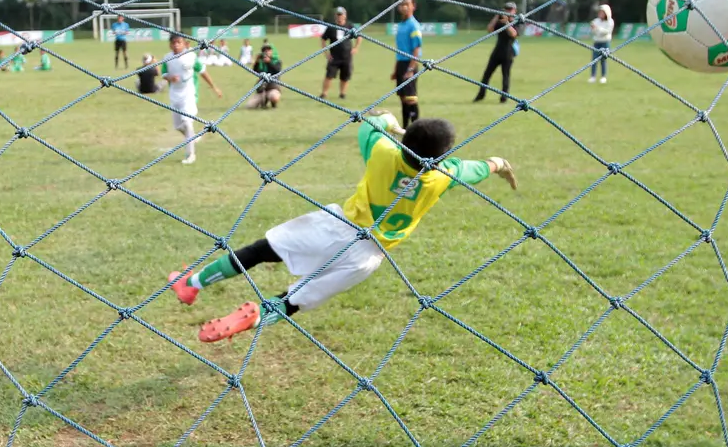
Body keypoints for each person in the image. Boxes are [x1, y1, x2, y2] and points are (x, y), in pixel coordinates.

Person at [167, 111, 517, 342]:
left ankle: (192, 284)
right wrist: (500, 163)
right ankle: (255, 316)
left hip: (337, 227)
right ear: (442, 156)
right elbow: (480, 167)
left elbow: (371, 123)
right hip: (367, 258)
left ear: (403, 141)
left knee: (262, 250)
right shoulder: (444, 176)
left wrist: (389, 120)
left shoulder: (383, 153)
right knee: (294, 301)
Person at [160, 33, 222, 165]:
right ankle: (193, 137)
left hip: (189, 94)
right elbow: (164, 73)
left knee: (187, 123)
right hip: (174, 95)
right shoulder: (167, 58)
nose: (176, 45)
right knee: (178, 126)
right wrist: (170, 78)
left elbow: (203, 72)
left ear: (184, 43)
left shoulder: (191, 57)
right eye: (174, 43)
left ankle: (190, 155)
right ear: (170, 44)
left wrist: (214, 87)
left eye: (179, 42)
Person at [474, 2, 519, 103]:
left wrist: (507, 22)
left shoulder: (516, 21)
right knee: (486, 75)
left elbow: (513, 34)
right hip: (497, 52)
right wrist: (496, 16)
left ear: (514, 11)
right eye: (506, 9)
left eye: (510, 9)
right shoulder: (499, 22)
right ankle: (480, 95)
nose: (508, 11)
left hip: (508, 53)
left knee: (505, 76)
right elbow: (490, 29)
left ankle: (504, 98)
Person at [392, 0, 423, 127]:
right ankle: (405, 128)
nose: (404, 7)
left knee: (411, 99)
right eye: (402, 4)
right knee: (403, 98)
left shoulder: (413, 25)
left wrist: (411, 69)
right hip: (401, 64)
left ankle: (416, 128)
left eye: (407, 4)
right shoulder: (401, 25)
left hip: (410, 64)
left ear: (413, 7)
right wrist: (395, 70)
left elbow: (416, 48)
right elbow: (399, 50)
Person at [319, 6, 359, 100]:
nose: (339, 17)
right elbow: (323, 40)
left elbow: (359, 36)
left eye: (341, 15)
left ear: (345, 16)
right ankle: (324, 93)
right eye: (337, 15)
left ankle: (342, 94)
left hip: (346, 56)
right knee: (329, 75)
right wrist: (326, 53)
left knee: (345, 76)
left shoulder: (350, 26)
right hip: (334, 57)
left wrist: (356, 47)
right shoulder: (331, 27)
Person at [247, 44, 283, 109]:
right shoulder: (261, 62)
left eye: (268, 50)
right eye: (264, 50)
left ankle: (273, 104)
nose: (266, 52)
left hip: (273, 87)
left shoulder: (277, 61)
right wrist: (257, 61)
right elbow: (255, 71)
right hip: (262, 88)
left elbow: (277, 70)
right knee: (250, 106)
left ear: (272, 51)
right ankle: (263, 101)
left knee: (274, 97)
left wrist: (269, 62)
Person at [588, 4, 614, 84]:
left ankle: (603, 76)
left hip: (605, 42)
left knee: (603, 60)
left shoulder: (610, 22)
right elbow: (594, 32)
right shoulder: (596, 21)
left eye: (602, 12)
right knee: (594, 60)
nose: (601, 14)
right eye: (600, 12)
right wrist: (594, 29)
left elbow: (606, 32)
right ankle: (593, 76)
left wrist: (597, 29)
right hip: (597, 42)